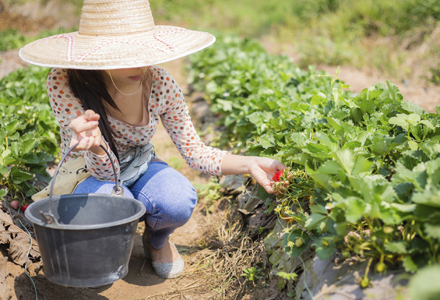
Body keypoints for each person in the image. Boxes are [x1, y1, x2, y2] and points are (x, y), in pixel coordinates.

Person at [19, 0, 286, 279]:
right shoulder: (65, 81)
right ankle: (115, 237)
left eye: (144, 51)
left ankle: (156, 239)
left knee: (176, 200)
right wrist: (96, 146)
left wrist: (251, 163)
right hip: (88, 173)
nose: (143, 64)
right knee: (114, 203)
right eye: (127, 55)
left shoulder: (160, 84)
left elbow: (194, 151)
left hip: (139, 164)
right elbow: (103, 172)